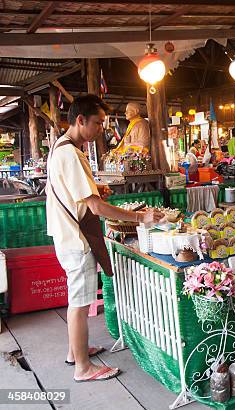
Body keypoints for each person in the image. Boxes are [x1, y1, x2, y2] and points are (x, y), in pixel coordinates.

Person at [46, 95, 164, 382]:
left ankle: (76, 352)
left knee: (77, 299)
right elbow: (95, 208)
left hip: (65, 234)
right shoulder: (71, 154)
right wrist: (139, 217)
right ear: (80, 120)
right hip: (76, 238)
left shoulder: (60, 148)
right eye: (98, 123)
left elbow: (68, 189)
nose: (101, 128)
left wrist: (95, 187)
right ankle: (83, 368)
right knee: (79, 303)